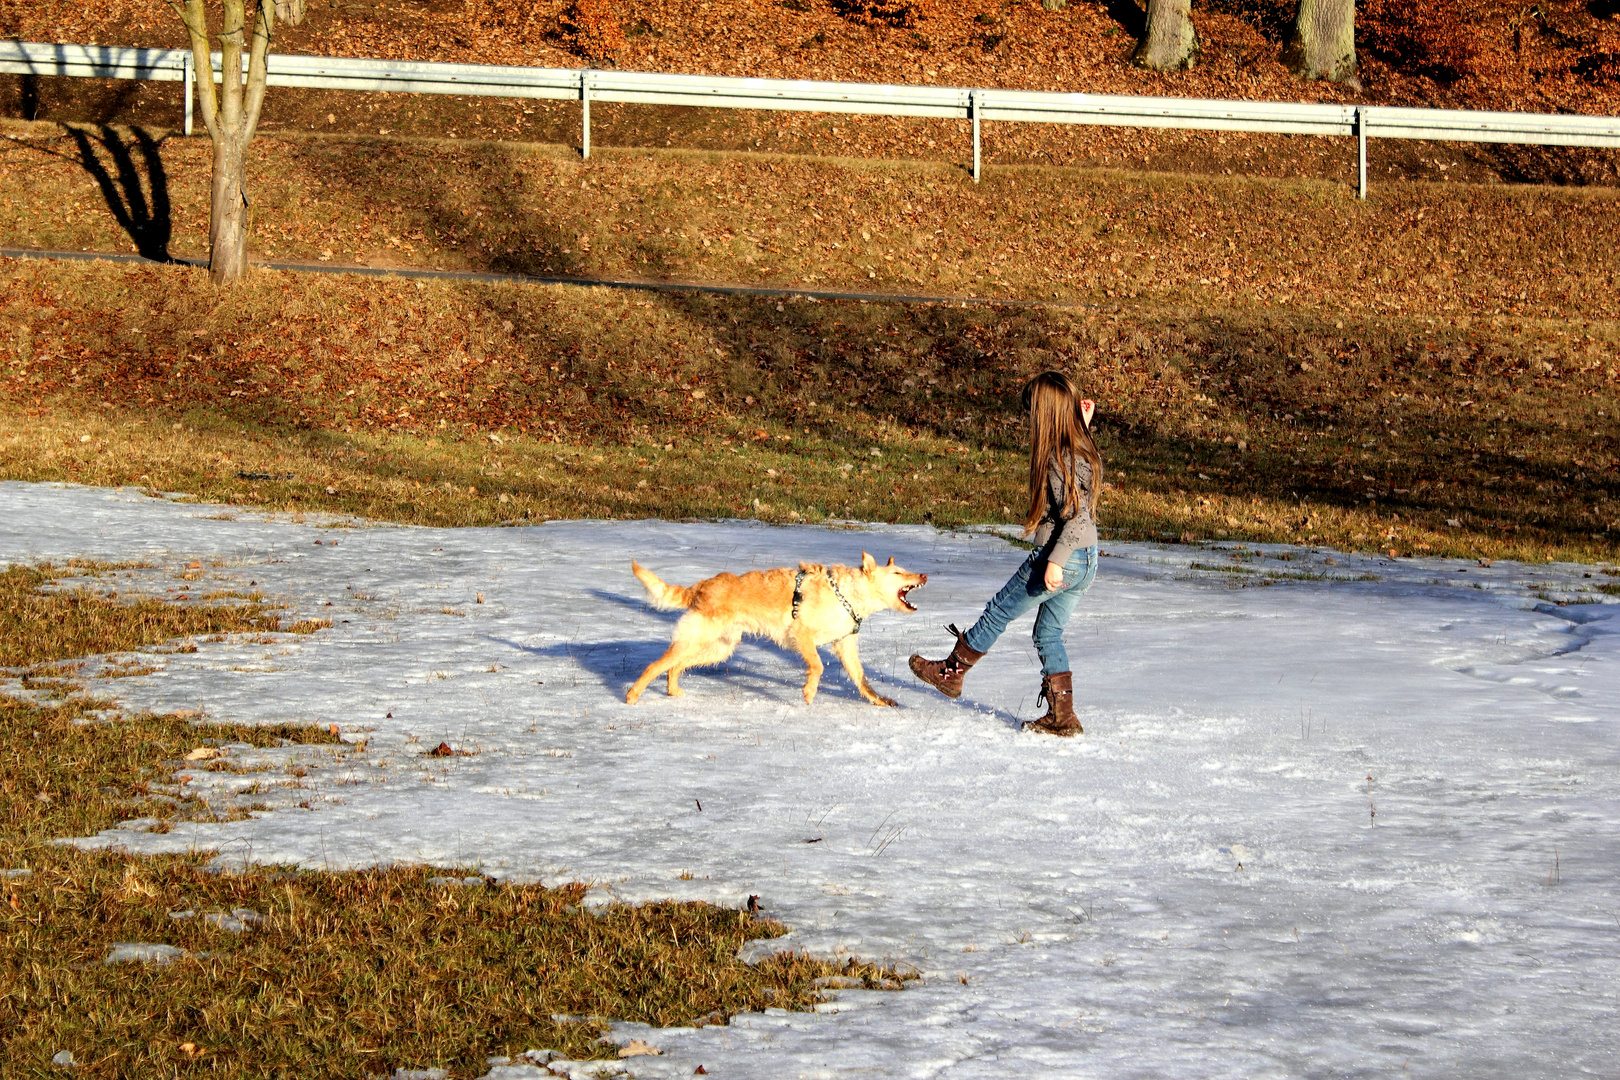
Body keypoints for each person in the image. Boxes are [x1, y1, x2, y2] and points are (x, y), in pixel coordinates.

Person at [909, 370, 1102, 736]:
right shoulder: (1082, 449)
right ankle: (1063, 717)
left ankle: (952, 673)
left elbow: (1075, 518)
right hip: (1088, 558)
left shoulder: (1059, 459)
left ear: (1045, 416)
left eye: (1032, 412)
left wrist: (1055, 562)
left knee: (998, 611)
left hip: (1063, 554)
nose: (1029, 419)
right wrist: (1083, 425)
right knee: (1048, 632)